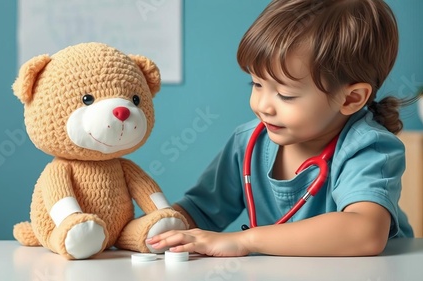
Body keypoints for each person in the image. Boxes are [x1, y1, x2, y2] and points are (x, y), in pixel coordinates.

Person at [146, 0, 416, 257]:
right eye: (256, 84)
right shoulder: (248, 142)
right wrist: (155, 229)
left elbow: (365, 232)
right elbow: (200, 211)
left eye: (285, 96)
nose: (263, 106)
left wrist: (245, 240)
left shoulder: (369, 148)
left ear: (350, 98)